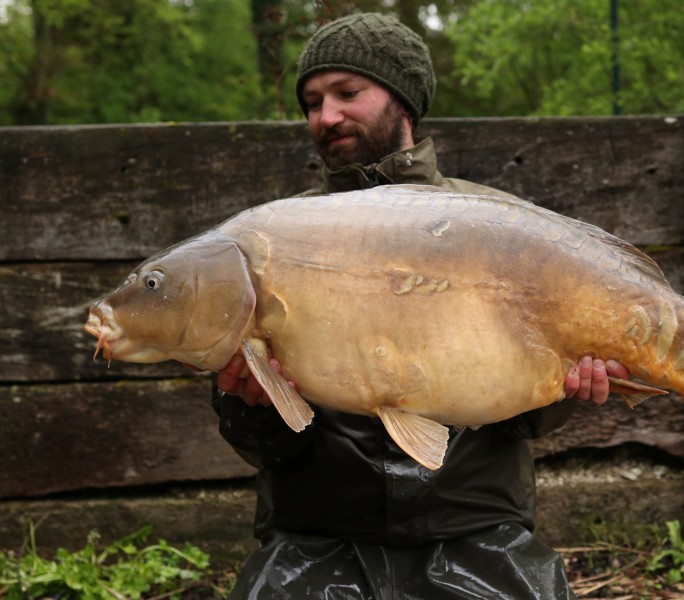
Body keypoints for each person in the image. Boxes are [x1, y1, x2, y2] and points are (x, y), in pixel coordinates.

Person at [213, 12, 629, 599]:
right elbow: (261, 447)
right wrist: (250, 403)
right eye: (311, 101)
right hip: (317, 537)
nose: (325, 116)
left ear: (402, 101)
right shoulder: (271, 241)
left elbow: (525, 422)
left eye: (347, 93)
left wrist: (568, 388)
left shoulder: (499, 227)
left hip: (474, 532)